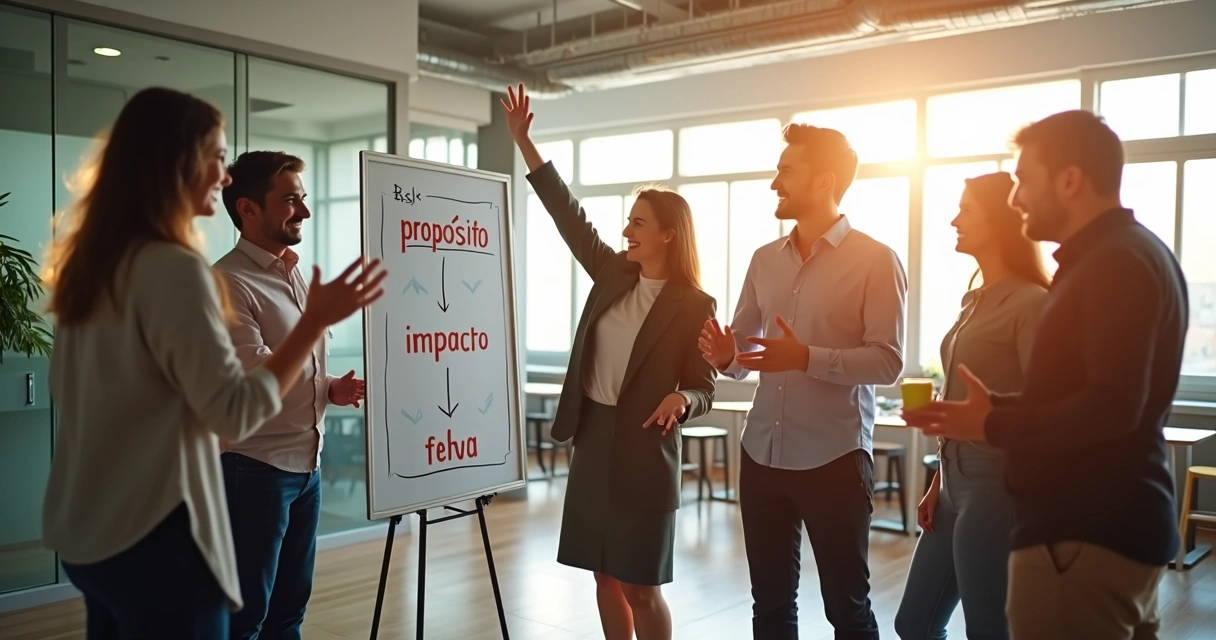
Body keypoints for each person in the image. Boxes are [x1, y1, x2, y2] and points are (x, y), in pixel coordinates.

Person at [39, 87, 386, 639]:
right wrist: (315, 321)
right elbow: (235, 412)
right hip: (158, 538)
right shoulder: (179, 270)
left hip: (92, 537)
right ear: (178, 162)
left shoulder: (95, 265)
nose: (225, 177)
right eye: (218, 158)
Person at [902, 110, 1187, 640]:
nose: (1016, 199)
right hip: (1103, 530)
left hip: (1082, 536)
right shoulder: (1120, 256)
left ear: (1070, 180)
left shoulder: (1114, 263)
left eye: (1025, 180)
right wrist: (988, 417)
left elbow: (1110, 406)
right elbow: (1089, 397)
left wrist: (993, 423)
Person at [501, 84, 716, 640]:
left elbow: (704, 386)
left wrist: (683, 400)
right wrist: (526, 144)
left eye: (638, 223)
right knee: (603, 577)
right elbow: (567, 214)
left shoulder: (696, 305)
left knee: (643, 586)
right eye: (627, 222)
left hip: (646, 451)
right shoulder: (613, 273)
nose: (626, 231)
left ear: (669, 234)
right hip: (594, 440)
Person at [700, 124, 906, 640]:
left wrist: (806, 357)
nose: (774, 183)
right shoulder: (763, 260)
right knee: (769, 606)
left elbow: (887, 362)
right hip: (761, 453)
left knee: (847, 610)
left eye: (786, 172)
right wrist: (728, 356)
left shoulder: (876, 260)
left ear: (824, 182)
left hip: (834, 460)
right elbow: (746, 354)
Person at [212, 151, 366, 639]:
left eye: (302, 198)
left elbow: (294, 359)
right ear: (248, 209)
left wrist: (329, 388)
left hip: (306, 468)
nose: (304, 210)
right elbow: (255, 379)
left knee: (288, 614)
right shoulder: (226, 283)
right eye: (290, 200)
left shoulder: (292, 270)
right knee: (246, 621)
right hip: (254, 471)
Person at [894, 172, 1049, 640]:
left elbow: (1043, 406)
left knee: (987, 629)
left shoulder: (1031, 303)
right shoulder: (972, 302)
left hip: (996, 484)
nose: (954, 219)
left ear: (1000, 220)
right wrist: (939, 483)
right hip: (952, 483)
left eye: (967, 209)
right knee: (914, 624)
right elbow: (965, 401)